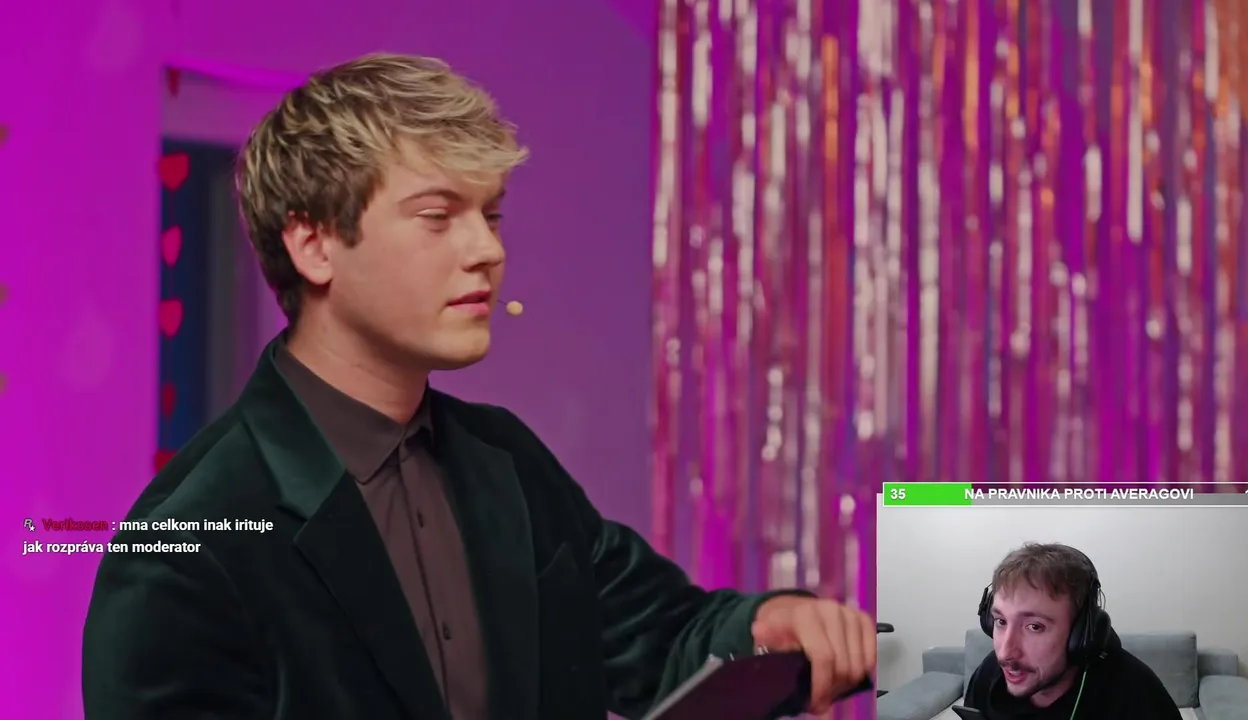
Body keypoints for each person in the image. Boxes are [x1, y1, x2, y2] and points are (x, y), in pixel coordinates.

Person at [81, 53, 876, 720]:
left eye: (490, 216)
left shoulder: (505, 462)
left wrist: (767, 625)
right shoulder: (185, 542)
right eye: (438, 216)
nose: (487, 251)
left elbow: (657, 638)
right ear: (314, 244)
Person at [963, 542, 1181, 719]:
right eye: (1001, 621)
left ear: (1082, 634)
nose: (1005, 653)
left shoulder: (1137, 693)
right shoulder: (989, 674)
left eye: (1034, 627)